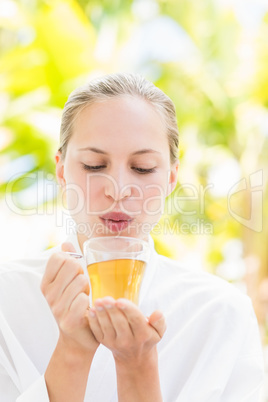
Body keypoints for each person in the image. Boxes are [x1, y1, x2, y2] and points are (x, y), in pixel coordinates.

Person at [0, 73, 264, 402]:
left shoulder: (220, 314)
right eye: (95, 165)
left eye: (142, 168)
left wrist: (137, 367)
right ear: (62, 172)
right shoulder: (6, 300)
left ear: (170, 179)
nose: (119, 190)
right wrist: (72, 351)